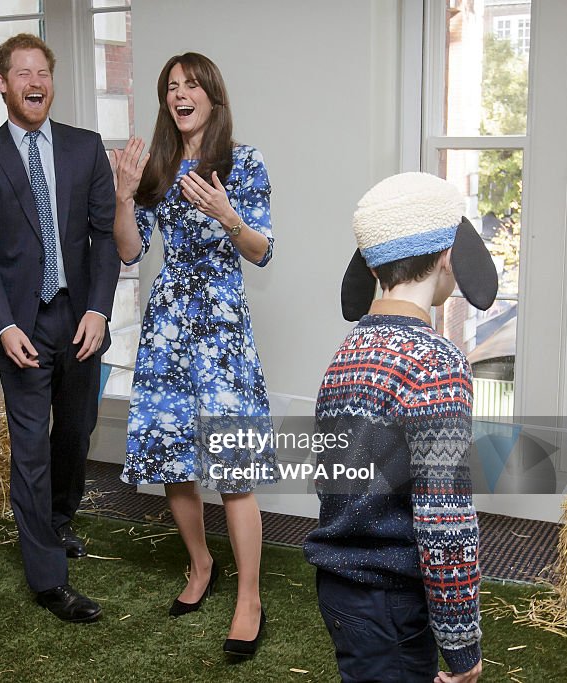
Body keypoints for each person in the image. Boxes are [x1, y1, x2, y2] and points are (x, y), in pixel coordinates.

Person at [304, 172, 496, 683]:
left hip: (342, 588)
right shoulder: (434, 363)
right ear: (448, 256)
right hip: (391, 600)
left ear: (370, 262)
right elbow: (443, 518)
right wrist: (461, 644)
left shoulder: (348, 352)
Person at [0, 33, 119, 623]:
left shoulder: (85, 148)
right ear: (2, 83)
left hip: (79, 319)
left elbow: (104, 238)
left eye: (42, 71)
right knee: (30, 447)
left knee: (75, 433)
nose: (34, 82)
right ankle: (49, 578)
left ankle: (59, 519)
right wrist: (0, 326)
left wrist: (99, 310)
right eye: (22, 72)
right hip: (20, 325)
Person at [114, 53, 275, 659]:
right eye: (171, 87)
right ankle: (201, 565)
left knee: (234, 469)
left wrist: (229, 215)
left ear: (213, 96)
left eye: (191, 85)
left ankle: (249, 600)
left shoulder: (245, 162)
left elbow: (262, 251)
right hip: (169, 325)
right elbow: (131, 253)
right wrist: (125, 197)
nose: (180, 94)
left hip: (223, 327)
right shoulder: (158, 166)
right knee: (174, 457)